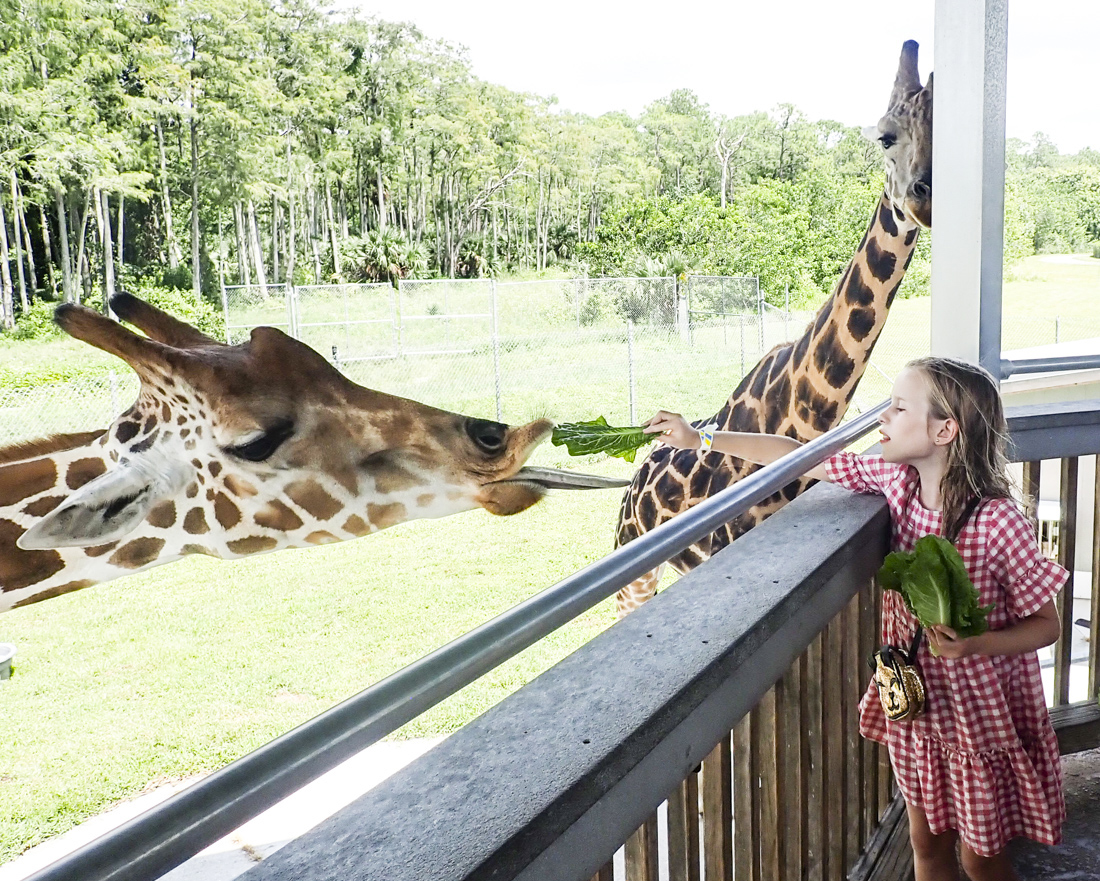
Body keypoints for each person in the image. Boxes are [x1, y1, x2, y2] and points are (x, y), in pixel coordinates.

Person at [643, 356, 1067, 881]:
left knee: (981, 859)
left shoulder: (999, 521)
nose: (881, 418)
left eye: (898, 408)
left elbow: (1047, 625)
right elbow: (801, 459)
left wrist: (975, 646)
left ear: (944, 429)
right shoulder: (897, 481)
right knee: (926, 843)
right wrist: (700, 440)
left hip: (977, 721)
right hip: (919, 713)